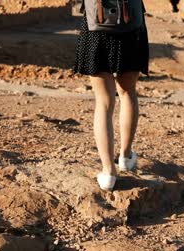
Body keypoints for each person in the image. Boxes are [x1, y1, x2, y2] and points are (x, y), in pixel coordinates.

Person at [73, 1, 149, 191]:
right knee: (127, 92)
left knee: (104, 102)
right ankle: (125, 156)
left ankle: (108, 172)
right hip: (131, 26)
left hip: (96, 28)